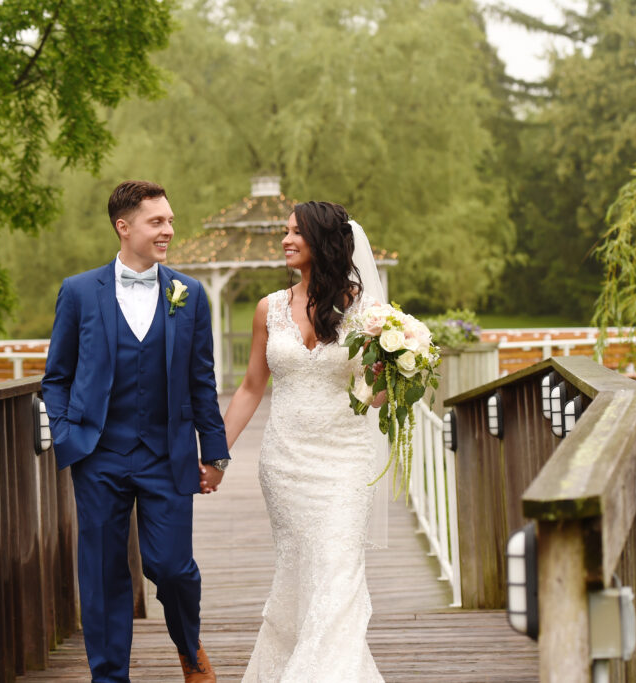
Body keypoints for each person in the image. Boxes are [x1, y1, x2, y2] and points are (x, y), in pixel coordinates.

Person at [41, 180, 231, 683]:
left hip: (166, 454)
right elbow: (56, 376)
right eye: (157, 221)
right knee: (103, 573)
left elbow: (202, 381)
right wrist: (65, 434)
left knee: (171, 567)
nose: (168, 229)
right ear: (124, 228)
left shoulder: (188, 294)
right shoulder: (80, 291)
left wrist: (215, 453)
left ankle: (189, 649)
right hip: (97, 453)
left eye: (169, 220)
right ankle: (109, 677)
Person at [221, 201, 389, 682]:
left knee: (337, 571)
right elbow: (252, 387)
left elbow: (374, 399)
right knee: (300, 579)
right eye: (285, 232)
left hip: (345, 461)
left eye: (297, 233)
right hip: (285, 462)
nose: (286, 240)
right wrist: (215, 453)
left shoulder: (367, 311)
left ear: (325, 242)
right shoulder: (268, 309)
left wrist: (390, 373)